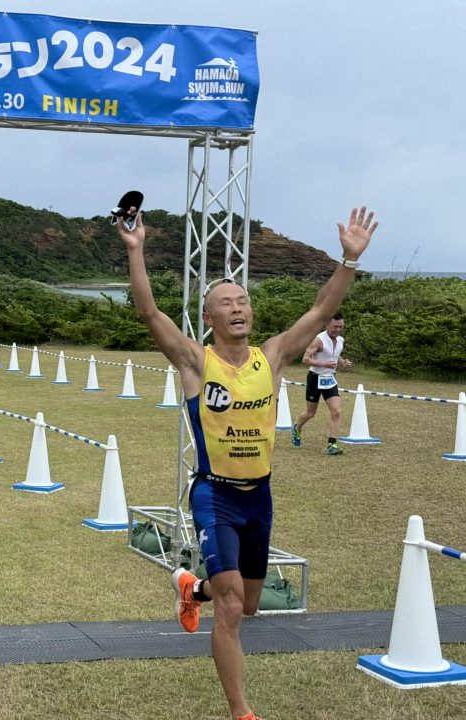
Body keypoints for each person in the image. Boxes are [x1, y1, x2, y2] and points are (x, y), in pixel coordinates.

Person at [118, 205, 377, 720]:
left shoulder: (274, 356)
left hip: (259, 495)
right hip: (214, 494)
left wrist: (348, 260)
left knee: (249, 602)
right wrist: (136, 250)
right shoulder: (196, 361)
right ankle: (242, 712)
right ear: (210, 318)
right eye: (226, 304)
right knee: (233, 609)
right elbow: (150, 313)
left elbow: (320, 313)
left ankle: (194, 587)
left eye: (244, 301)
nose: (238, 308)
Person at [291, 313, 353, 455]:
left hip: (330, 379)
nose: (338, 330)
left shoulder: (340, 340)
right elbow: (305, 359)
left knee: (336, 411)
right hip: (315, 378)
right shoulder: (318, 340)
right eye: (335, 327)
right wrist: (323, 363)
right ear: (326, 325)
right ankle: (296, 427)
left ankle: (332, 445)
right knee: (310, 413)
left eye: (341, 327)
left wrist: (343, 362)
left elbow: (335, 354)